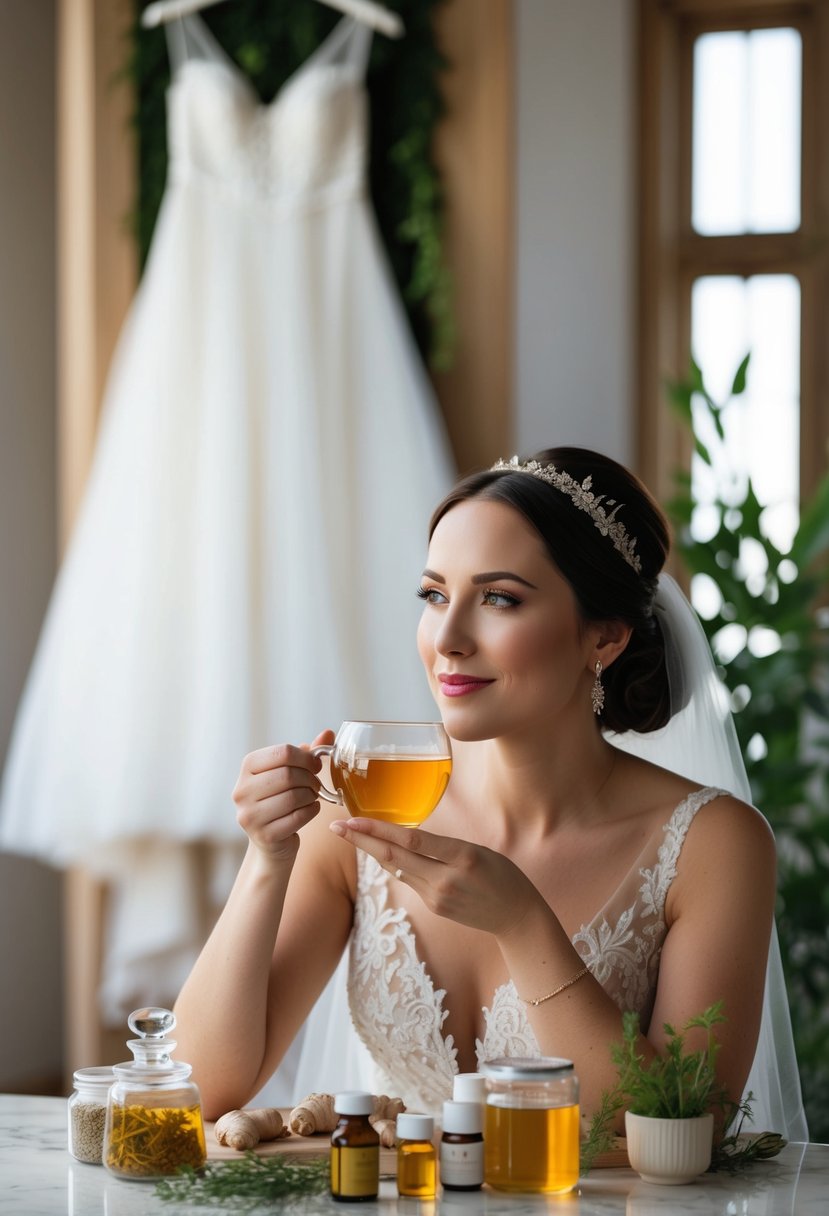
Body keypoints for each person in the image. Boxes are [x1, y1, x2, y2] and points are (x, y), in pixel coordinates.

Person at [173, 447, 807, 1138]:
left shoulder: (712, 843)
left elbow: (682, 1130)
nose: (446, 638)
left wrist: (521, 924)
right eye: (434, 595)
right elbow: (199, 1089)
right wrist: (267, 857)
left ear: (604, 636)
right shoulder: (359, 812)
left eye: (498, 599)